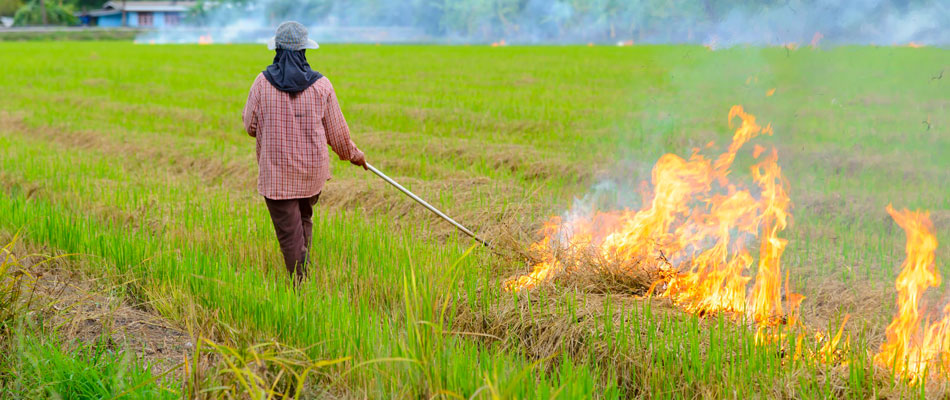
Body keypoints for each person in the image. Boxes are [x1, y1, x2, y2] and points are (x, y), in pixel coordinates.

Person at [242, 21, 367, 286]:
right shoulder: (321, 86)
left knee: (289, 232)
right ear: (303, 51)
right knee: (302, 218)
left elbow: (249, 126)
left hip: (277, 174)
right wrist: (355, 155)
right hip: (312, 173)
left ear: (276, 50)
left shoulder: (262, 84)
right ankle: (303, 268)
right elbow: (338, 134)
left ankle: (300, 285)